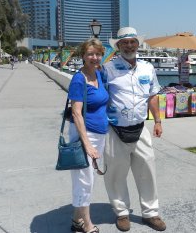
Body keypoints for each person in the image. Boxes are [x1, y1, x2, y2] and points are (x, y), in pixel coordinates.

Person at [101, 27, 166, 231]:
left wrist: (157, 121)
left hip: (140, 128)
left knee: (147, 170)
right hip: (114, 129)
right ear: (118, 46)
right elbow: (98, 97)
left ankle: (150, 213)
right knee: (115, 173)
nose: (129, 45)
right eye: (124, 42)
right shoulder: (107, 68)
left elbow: (152, 96)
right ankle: (121, 213)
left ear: (137, 44)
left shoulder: (148, 68)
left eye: (132, 42)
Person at [67, 38, 109, 233]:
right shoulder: (79, 79)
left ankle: (77, 220)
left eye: (98, 54)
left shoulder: (98, 74)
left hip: (99, 134)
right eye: (90, 54)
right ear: (83, 56)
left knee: (88, 178)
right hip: (85, 136)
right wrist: (88, 145)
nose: (94, 57)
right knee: (85, 181)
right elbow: (76, 113)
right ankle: (87, 224)